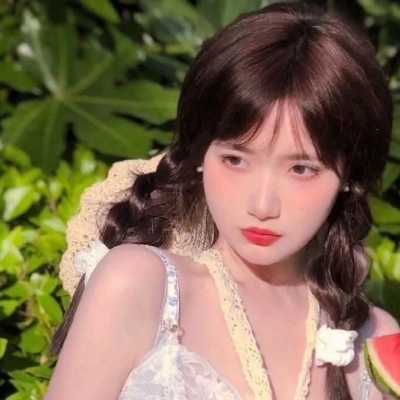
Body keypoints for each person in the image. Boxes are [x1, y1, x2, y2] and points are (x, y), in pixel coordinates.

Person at [44, 2, 400, 400]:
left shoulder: (372, 339)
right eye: (235, 160)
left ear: (349, 176)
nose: (262, 206)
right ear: (199, 154)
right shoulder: (138, 284)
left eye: (301, 169)